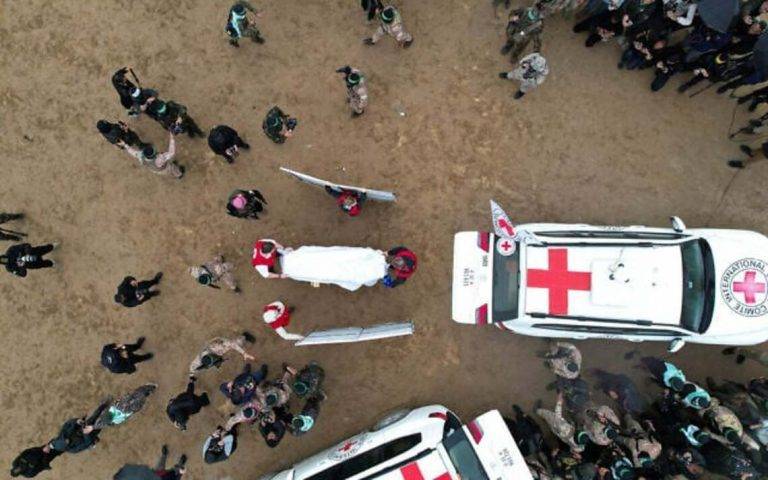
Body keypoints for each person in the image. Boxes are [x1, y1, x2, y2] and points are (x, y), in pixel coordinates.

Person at [91, 384, 157, 430]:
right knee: (138, 399)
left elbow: (120, 403)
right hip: (128, 408)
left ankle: (147, 389)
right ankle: (147, 391)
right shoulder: (112, 412)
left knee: (137, 396)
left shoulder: (114, 417)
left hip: (128, 407)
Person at [188, 332, 256, 376]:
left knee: (238, 342)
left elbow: (232, 344)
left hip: (220, 345)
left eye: (213, 359)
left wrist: (244, 353)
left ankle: (244, 336)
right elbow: (192, 367)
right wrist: (191, 377)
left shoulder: (217, 347)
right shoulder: (200, 359)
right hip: (218, 353)